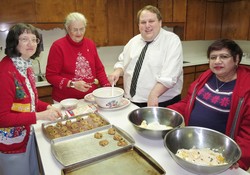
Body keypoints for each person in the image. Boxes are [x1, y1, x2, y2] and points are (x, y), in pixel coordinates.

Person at [168, 39, 250, 171]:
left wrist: (238, 156)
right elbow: (187, 103)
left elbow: (248, 132)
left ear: (236, 59)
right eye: (213, 57)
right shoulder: (206, 78)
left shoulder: (246, 89)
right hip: (192, 146)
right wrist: (167, 113)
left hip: (219, 154)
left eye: (224, 56)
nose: (217, 61)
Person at [0, 23, 62, 175]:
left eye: (34, 39)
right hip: (12, 143)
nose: (31, 44)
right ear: (14, 42)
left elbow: (30, 103)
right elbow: (2, 118)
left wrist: (47, 107)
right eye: (24, 39)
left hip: (27, 135)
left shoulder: (25, 67)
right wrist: (40, 116)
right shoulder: (5, 72)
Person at [108, 5, 183, 107]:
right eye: (143, 22)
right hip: (131, 101)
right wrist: (117, 71)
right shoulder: (133, 41)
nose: (147, 25)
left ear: (160, 22)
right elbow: (122, 62)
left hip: (161, 103)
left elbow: (170, 76)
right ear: (138, 25)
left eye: (151, 21)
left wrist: (154, 94)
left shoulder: (172, 41)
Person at [46, 12, 111, 103]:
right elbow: (51, 76)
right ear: (67, 29)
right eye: (75, 29)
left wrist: (107, 88)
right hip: (66, 101)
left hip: (90, 98)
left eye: (82, 29)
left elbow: (99, 69)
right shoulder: (58, 46)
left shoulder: (90, 44)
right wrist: (72, 84)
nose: (79, 33)